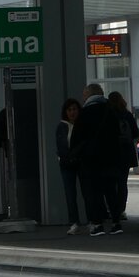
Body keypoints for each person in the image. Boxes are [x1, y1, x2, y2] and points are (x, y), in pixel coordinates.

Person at [69, 83, 121, 236]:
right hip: (110, 158)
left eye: (84, 94)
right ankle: (116, 223)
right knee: (111, 190)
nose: (83, 97)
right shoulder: (110, 111)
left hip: (90, 160)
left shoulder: (84, 113)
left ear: (89, 95)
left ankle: (97, 224)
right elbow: (117, 133)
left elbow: (77, 137)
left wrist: (74, 153)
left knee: (94, 192)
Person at [107, 91, 139, 223]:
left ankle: (112, 209)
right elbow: (135, 133)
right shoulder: (127, 114)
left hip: (112, 153)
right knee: (122, 183)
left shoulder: (109, 115)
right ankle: (121, 210)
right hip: (126, 153)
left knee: (111, 183)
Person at [54, 98, 85, 235]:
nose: (72, 112)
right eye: (69, 110)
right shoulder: (62, 126)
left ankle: (92, 220)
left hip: (81, 162)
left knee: (87, 192)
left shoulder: (83, 125)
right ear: (65, 112)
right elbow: (61, 146)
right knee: (70, 194)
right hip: (67, 164)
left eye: (74, 109)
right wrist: (69, 157)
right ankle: (74, 222)